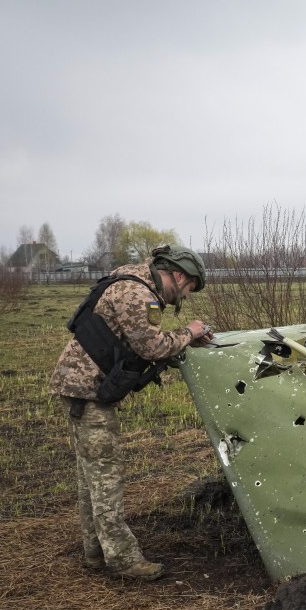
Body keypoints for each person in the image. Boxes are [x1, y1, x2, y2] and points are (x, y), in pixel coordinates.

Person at [49, 244, 214, 580]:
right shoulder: (141, 295)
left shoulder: (130, 281)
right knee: (105, 476)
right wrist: (190, 332)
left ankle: (95, 553)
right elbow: (152, 346)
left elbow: (141, 337)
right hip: (88, 390)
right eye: (187, 289)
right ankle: (123, 560)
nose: (183, 297)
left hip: (79, 386)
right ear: (178, 275)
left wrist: (182, 338)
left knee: (90, 476)